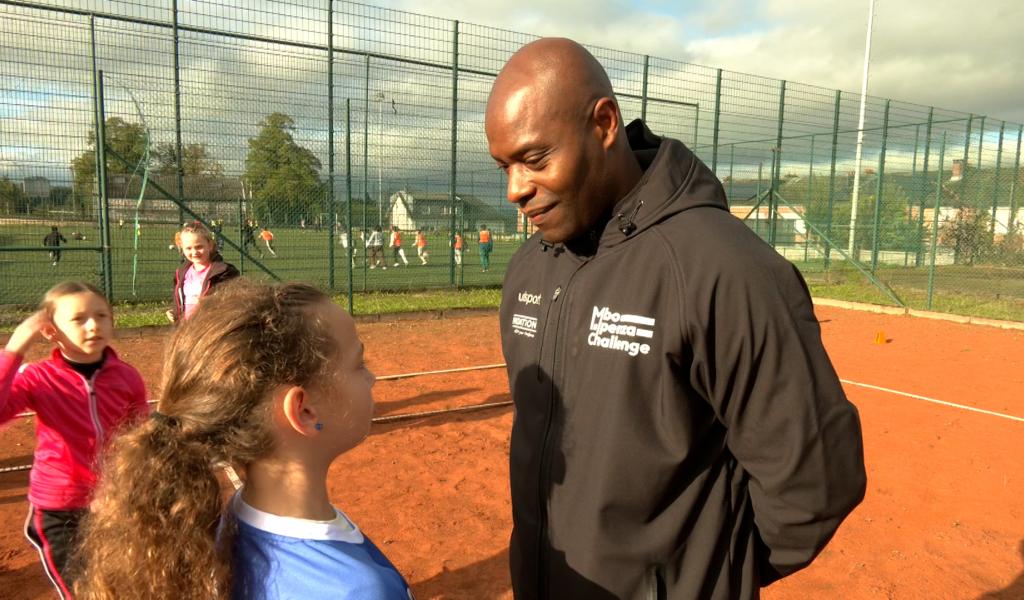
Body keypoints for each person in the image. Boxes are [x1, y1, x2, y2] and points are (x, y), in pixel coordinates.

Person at [486, 38, 866, 599]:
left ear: (605, 123)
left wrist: (702, 577)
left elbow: (817, 477)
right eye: (505, 166)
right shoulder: (529, 267)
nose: (516, 189)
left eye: (536, 159)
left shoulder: (721, 267)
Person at [74, 280, 411, 600]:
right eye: (358, 363)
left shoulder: (229, 521)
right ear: (305, 410)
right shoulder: (355, 589)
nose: (371, 377)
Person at [1, 282, 148, 599]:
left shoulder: (128, 377)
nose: (94, 325)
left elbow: (140, 438)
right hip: (59, 509)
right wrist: (15, 348)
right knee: (84, 592)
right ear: (50, 331)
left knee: (124, 585)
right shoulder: (37, 378)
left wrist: (119, 487)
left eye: (101, 315)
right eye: (78, 319)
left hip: (115, 504)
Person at [166, 222, 239, 323]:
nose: (194, 252)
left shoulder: (223, 272)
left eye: (199, 247)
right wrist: (176, 313)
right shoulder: (181, 273)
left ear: (210, 245)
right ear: (182, 248)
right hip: (187, 328)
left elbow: (233, 303)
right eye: (189, 248)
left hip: (211, 327)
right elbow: (179, 300)